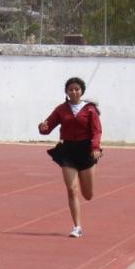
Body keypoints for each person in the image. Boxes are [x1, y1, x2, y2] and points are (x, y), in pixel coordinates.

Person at [38, 77, 102, 238]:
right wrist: (42, 127)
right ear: (66, 91)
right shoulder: (61, 109)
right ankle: (77, 227)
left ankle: (84, 178)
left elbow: (97, 131)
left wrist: (95, 147)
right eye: (70, 89)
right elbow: (47, 127)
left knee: (88, 195)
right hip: (67, 151)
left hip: (86, 151)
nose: (74, 92)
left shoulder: (90, 109)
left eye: (77, 89)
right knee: (72, 190)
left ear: (82, 91)